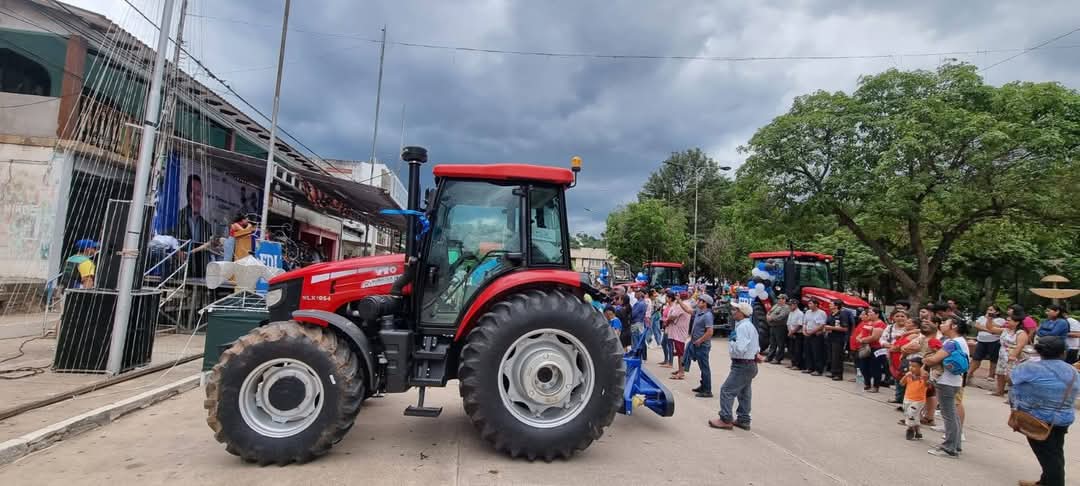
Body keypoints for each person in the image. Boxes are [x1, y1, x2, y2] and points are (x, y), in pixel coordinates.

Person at [1010, 336, 1079, 486]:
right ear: (1063, 352)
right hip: (1062, 419)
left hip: (1037, 419)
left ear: (1039, 351)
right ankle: (1044, 481)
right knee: (1055, 451)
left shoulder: (1029, 367)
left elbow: (1013, 379)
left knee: (1049, 457)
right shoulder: (1073, 371)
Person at [709, 302, 762, 431]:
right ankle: (744, 419)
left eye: (735, 310)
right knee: (744, 392)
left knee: (727, 390)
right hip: (749, 363)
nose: (733, 312)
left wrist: (732, 342)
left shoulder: (742, 327)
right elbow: (756, 346)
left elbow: (740, 349)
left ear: (741, 313)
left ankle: (725, 419)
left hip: (742, 364)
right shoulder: (749, 326)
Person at [924, 317, 969, 459]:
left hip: (946, 382)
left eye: (944, 323)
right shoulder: (961, 341)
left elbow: (934, 359)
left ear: (953, 326)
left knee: (948, 415)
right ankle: (955, 445)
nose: (942, 325)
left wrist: (925, 359)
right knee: (953, 415)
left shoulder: (951, 343)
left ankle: (949, 448)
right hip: (954, 381)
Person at [989, 314, 1029, 397]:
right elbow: (990, 328)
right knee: (1000, 373)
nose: (1006, 321)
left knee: (1010, 376)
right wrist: (989, 319)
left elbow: (1020, 346)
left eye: (1009, 320)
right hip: (1002, 354)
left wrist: (1013, 356)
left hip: (1013, 356)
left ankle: (1013, 395)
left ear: (1017, 322)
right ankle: (1000, 391)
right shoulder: (1005, 330)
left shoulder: (1021, 333)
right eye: (1006, 320)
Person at [854, 308, 887, 393]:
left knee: (875, 367)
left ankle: (876, 386)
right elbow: (862, 333)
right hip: (866, 347)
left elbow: (875, 337)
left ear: (877, 314)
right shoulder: (868, 323)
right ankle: (867, 383)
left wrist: (862, 340)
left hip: (876, 348)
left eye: (871, 312)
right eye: (868, 313)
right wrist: (858, 338)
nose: (869, 314)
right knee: (863, 366)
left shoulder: (880, 324)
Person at [970, 305, 1005, 382]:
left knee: (993, 359)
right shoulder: (982, 317)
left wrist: (990, 321)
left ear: (997, 312)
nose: (989, 311)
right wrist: (989, 330)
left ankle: (991, 375)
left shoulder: (1001, 320)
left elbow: (997, 327)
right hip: (981, 341)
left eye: (991, 310)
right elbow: (977, 326)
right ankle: (970, 372)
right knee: (976, 358)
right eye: (988, 309)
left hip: (994, 341)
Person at [690, 294, 715, 398]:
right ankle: (703, 385)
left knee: (705, 368)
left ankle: (707, 390)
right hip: (698, 344)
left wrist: (700, 340)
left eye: (700, 300)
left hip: (703, 345)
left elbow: (710, 332)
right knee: (702, 367)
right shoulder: (699, 312)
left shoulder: (707, 315)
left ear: (705, 303)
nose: (698, 302)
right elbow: (688, 310)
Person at [901, 356, 929, 441]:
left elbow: (928, 385)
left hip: (918, 400)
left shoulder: (924, 377)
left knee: (911, 413)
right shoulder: (909, 376)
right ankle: (918, 431)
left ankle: (910, 429)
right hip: (907, 398)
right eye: (910, 366)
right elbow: (901, 383)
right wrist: (905, 376)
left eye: (914, 366)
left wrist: (923, 376)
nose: (911, 368)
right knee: (911, 415)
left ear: (921, 367)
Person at [824, 299, 853, 381]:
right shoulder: (831, 314)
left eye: (831, 304)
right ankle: (833, 372)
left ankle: (838, 374)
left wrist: (831, 327)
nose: (829, 305)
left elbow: (845, 328)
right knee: (831, 356)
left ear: (836, 306)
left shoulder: (842, 315)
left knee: (837, 356)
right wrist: (827, 328)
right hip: (830, 337)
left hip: (838, 339)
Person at [667, 292, 693, 380]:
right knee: (679, 352)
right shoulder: (687, 304)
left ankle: (681, 372)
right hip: (682, 330)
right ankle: (680, 370)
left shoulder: (681, 306)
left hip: (679, 332)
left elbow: (672, 316)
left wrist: (667, 320)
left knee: (680, 353)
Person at [802, 299, 828, 376]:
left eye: (810, 303)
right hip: (807, 334)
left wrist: (812, 332)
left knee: (817, 352)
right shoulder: (807, 312)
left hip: (816, 335)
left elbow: (822, 325)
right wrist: (804, 330)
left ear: (816, 304)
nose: (809, 305)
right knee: (808, 351)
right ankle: (809, 368)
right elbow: (804, 323)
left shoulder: (821, 313)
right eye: (808, 304)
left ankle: (818, 370)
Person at [765, 294, 791, 364]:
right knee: (772, 343)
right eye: (778, 298)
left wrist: (771, 318)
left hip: (780, 327)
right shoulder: (776, 305)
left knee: (780, 344)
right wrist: (767, 316)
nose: (779, 300)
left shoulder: (786, 307)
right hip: (773, 326)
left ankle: (778, 358)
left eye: (781, 298)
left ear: (784, 300)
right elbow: (769, 312)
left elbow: (781, 316)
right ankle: (769, 357)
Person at [786, 299, 805, 370]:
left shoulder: (800, 313)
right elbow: (788, 323)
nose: (789, 306)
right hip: (791, 332)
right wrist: (789, 331)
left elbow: (799, 325)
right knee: (791, 349)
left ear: (795, 305)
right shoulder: (791, 313)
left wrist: (792, 332)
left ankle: (797, 365)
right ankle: (793, 363)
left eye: (791, 305)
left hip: (798, 333)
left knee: (798, 350)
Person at [630, 291, 649, 360]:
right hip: (640, 323)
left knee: (635, 342)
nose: (635, 294)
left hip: (636, 323)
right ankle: (640, 357)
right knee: (640, 341)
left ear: (639, 295)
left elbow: (633, 314)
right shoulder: (644, 303)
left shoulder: (638, 304)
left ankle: (636, 358)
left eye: (636, 293)